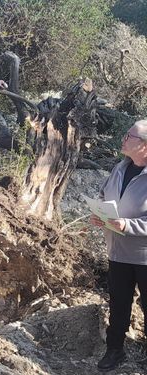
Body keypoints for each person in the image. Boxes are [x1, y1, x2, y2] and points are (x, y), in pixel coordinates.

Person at [91, 120, 147, 371]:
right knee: (118, 304)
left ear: (144, 146)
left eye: (130, 136)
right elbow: (104, 196)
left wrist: (128, 226)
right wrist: (98, 214)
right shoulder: (120, 168)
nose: (124, 139)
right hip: (117, 252)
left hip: (144, 257)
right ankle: (115, 351)